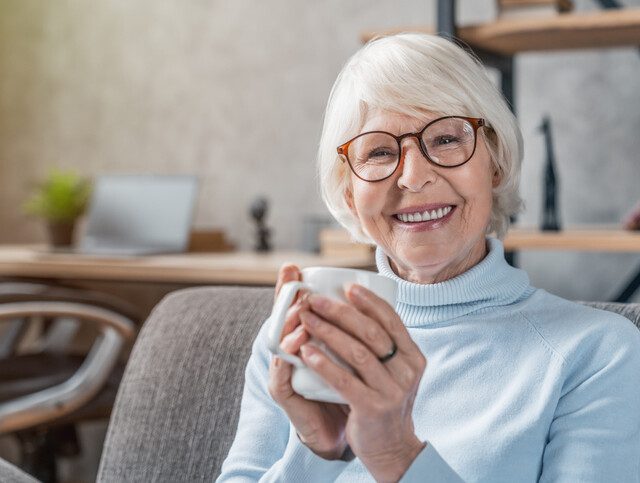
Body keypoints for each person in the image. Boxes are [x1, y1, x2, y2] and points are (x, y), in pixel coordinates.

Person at [217, 33, 640, 482]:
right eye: (379, 151)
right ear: (348, 189)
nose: (415, 177)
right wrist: (317, 454)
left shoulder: (599, 354)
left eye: (444, 139)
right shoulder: (295, 339)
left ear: (494, 161)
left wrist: (397, 454)